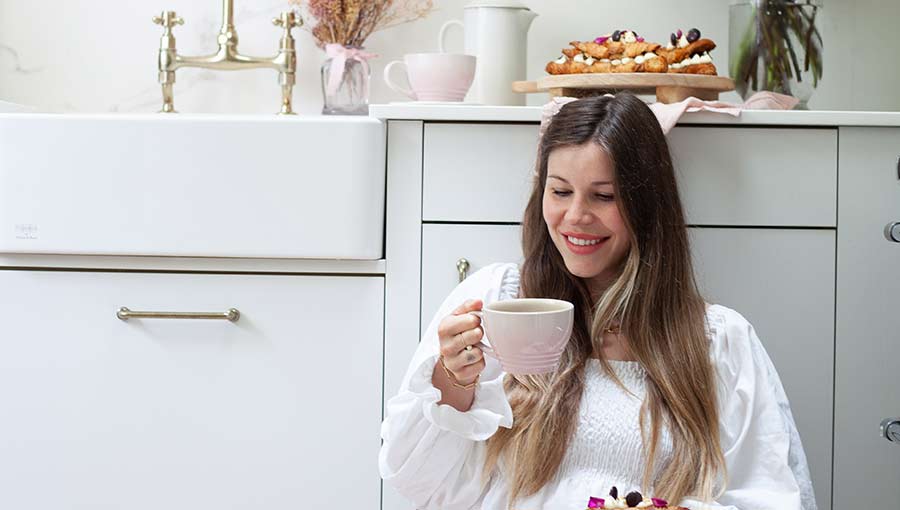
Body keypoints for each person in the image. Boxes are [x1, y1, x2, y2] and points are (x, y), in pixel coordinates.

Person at [378, 94, 817, 510]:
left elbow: (772, 495)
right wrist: (453, 383)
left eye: (604, 196)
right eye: (561, 191)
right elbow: (417, 483)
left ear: (647, 205)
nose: (575, 217)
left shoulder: (717, 340)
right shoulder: (497, 299)